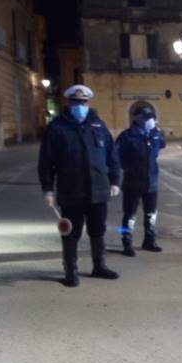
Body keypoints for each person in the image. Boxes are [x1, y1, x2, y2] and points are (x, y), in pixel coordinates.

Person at [38, 84, 121, 287]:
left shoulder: (99, 126)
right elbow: (46, 161)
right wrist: (48, 189)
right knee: (70, 232)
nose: (79, 105)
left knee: (97, 229)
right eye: (75, 102)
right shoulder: (57, 127)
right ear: (69, 102)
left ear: (88, 103)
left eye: (83, 102)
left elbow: (112, 156)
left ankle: (99, 266)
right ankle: (70, 271)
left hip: (98, 189)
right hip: (71, 189)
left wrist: (115, 181)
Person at [116, 106, 166, 256]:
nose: (149, 120)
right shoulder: (126, 136)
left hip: (151, 181)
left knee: (151, 214)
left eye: (150, 117)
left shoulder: (154, 134)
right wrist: (129, 168)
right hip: (132, 182)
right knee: (129, 215)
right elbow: (116, 156)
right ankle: (126, 242)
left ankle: (149, 241)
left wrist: (157, 132)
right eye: (145, 117)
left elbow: (162, 145)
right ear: (136, 118)